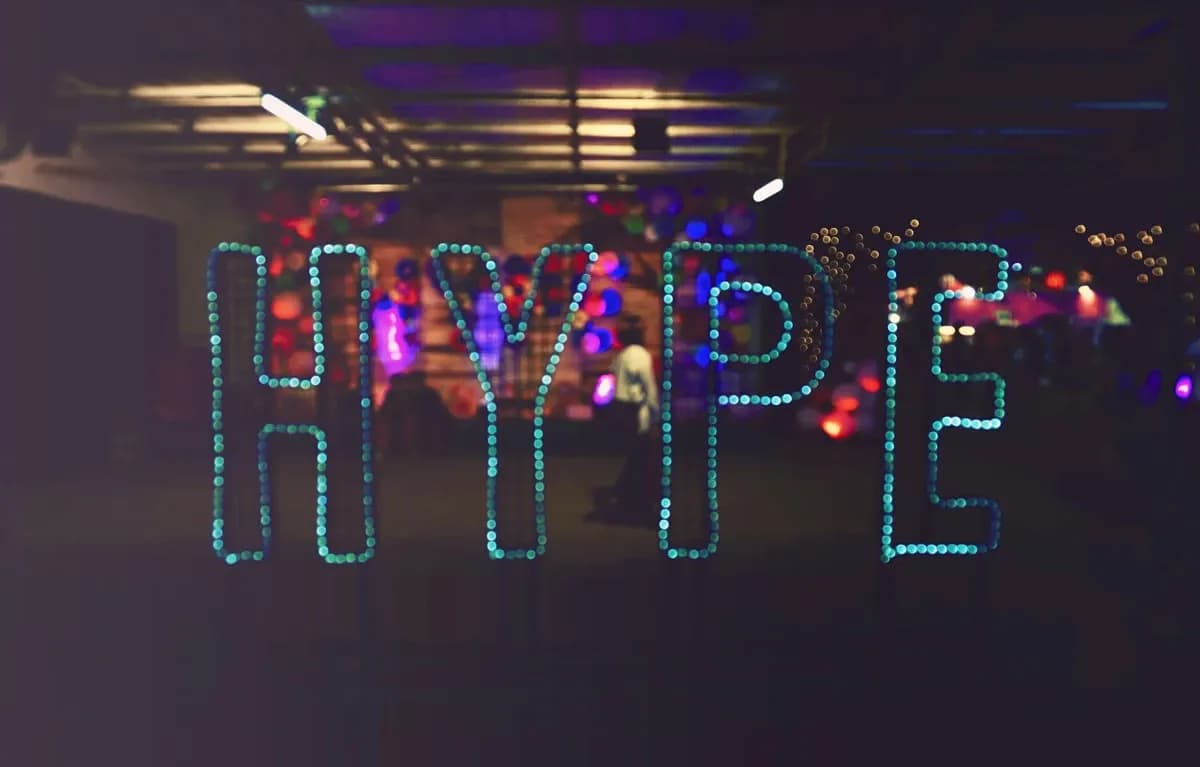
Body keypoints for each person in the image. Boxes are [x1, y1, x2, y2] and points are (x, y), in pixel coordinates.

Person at [604, 315, 659, 521]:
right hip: (634, 409)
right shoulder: (641, 355)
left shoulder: (623, 355)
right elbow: (649, 386)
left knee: (636, 456)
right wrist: (655, 413)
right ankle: (632, 499)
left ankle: (625, 497)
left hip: (621, 407)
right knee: (641, 456)